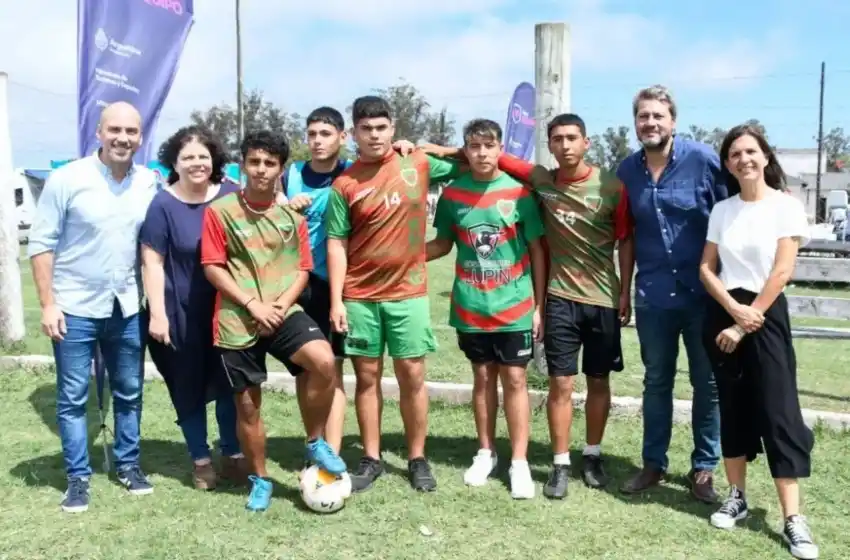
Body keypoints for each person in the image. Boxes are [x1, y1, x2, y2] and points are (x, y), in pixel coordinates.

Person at [200, 130, 346, 512]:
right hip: (237, 318)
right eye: (254, 162)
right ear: (243, 165)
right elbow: (213, 267)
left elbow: (303, 269)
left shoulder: (291, 217)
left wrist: (278, 305)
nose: (261, 170)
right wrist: (253, 305)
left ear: (281, 169)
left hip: (282, 310)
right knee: (248, 407)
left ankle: (315, 441)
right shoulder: (220, 212)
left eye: (270, 163)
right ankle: (261, 480)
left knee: (324, 361)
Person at [326, 95, 461, 493]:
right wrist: (336, 300)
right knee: (366, 378)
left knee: (412, 376)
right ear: (353, 133)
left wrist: (431, 147)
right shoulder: (344, 184)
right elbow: (337, 243)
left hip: (408, 293)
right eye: (366, 129)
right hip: (360, 297)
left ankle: (417, 458)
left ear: (393, 128)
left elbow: (473, 158)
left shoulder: (416, 162)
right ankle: (371, 458)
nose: (375, 135)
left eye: (381, 128)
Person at [496, 113, 635, 498]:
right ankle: (560, 463)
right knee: (561, 382)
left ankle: (591, 455)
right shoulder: (543, 181)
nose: (565, 145)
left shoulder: (611, 186)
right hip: (559, 299)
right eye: (557, 139)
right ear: (550, 145)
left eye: (572, 138)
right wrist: (436, 149)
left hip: (603, 300)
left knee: (599, 380)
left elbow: (626, 239)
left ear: (586, 142)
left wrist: (625, 291)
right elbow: (494, 156)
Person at [28, 101, 157, 513]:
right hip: (74, 307)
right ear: (99, 133)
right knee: (72, 397)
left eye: (131, 131)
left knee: (130, 391)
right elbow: (41, 244)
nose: (122, 138)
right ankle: (78, 478)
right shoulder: (67, 179)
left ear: (140, 137)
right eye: (114, 129)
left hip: (127, 306)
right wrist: (48, 305)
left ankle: (128, 465)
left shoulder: (149, 182)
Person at [698, 124, 818, 559]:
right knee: (732, 406)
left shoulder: (786, 206)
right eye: (735, 154)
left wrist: (745, 320)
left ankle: (793, 518)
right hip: (725, 312)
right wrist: (733, 310)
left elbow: (782, 271)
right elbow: (707, 268)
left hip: (765, 315)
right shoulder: (722, 210)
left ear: (765, 156)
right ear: (727, 164)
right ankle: (737, 497)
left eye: (750, 151)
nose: (743, 159)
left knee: (779, 411)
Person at [616, 85, 726, 502]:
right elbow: (626, 235)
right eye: (643, 116)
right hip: (653, 296)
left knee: (707, 384)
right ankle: (653, 464)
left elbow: (729, 216)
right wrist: (624, 291)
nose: (650, 123)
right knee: (656, 381)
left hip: (704, 296)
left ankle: (704, 468)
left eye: (658, 116)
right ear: (635, 123)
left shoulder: (703, 160)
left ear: (673, 121)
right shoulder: (627, 172)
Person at [426, 119, 545, 499]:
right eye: (474, 146)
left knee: (515, 380)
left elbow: (538, 251)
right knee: (482, 378)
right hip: (471, 307)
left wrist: (539, 306)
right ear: (466, 150)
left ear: (499, 149)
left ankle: (520, 463)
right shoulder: (453, 194)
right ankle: (485, 453)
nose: (481, 153)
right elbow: (442, 244)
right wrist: (402, 255)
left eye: (488, 146)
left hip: (514, 307)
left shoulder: (520, 193)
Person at [139, 125, 245, 491]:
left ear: (214, 159)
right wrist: (157, 314)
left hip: (228, 309)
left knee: (230, 383)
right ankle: (201, 459)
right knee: (187, 388)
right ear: (174, 163)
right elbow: (152, 262)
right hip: (180, 313)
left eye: (203, 156)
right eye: (188, 157)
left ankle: (233, 453)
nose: (197, 163)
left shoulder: (232, 195)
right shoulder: (163, 204)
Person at [281, 107, 352, 454]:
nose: (317, 141)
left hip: (336, 286)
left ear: (343, 136)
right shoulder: (290, 174)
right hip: (297, 285)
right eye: (312, 134)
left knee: (333, 370)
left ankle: (332, 453)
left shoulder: (353, 173)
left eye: (325, 134)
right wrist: (286, 208)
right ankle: (314, 443)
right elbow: (268, 219)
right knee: (305, 369)